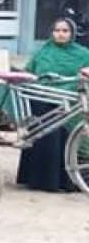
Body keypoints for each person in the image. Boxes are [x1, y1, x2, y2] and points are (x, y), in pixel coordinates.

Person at [16, 17, 89, 192]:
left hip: (68, 100)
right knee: (42, 136)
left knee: (62, 135)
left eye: (65, 31)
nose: (61, 34)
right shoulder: (43, 51)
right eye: (57, 31)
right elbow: (30, 72)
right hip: (42, 97)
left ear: (72, 34)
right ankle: (38, 181)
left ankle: (63, 181)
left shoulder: (83, 53)